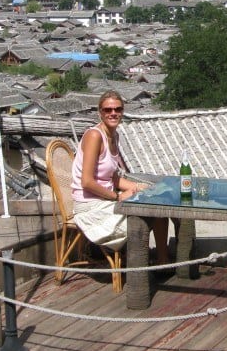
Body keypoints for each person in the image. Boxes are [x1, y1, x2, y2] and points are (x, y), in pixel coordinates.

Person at [71, 90, 169, 266]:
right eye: (108, 110)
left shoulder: (114, 136)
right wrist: (117, 197)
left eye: (117, 109)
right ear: (100, 112)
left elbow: (112, 177)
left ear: (123, 111)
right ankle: (142, 266)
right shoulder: (94, 135)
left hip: (105, 198)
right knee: (147, 215)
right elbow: (87, 182)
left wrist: (138, 186)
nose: (113, 113)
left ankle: (163, 262)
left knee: (159, 207)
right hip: (90, 206)